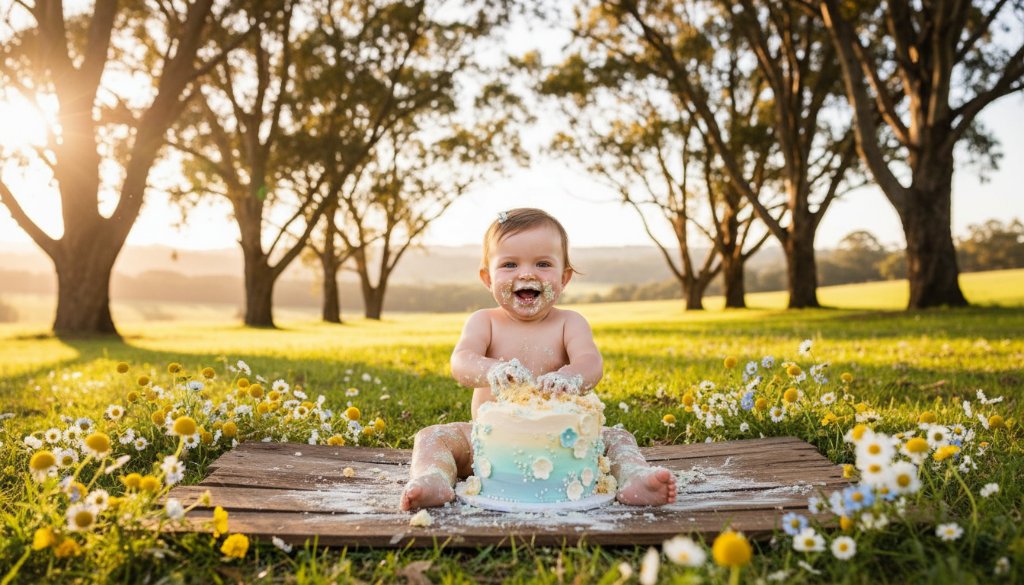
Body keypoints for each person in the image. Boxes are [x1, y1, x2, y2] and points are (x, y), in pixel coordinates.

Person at [399, 208, 677, 510]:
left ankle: (635, 478)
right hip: (488, 445)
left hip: (567, 443)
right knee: (433, 436)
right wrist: (492, 369)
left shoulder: (570, 323)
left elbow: (590, 362)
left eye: (543, 264)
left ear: (564, 277)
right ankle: (433, 477)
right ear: (487, 278)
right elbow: (461, 363)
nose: (527, 273)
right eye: (509, 264)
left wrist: (571, 376)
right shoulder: (484, 322)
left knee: (617, 438)